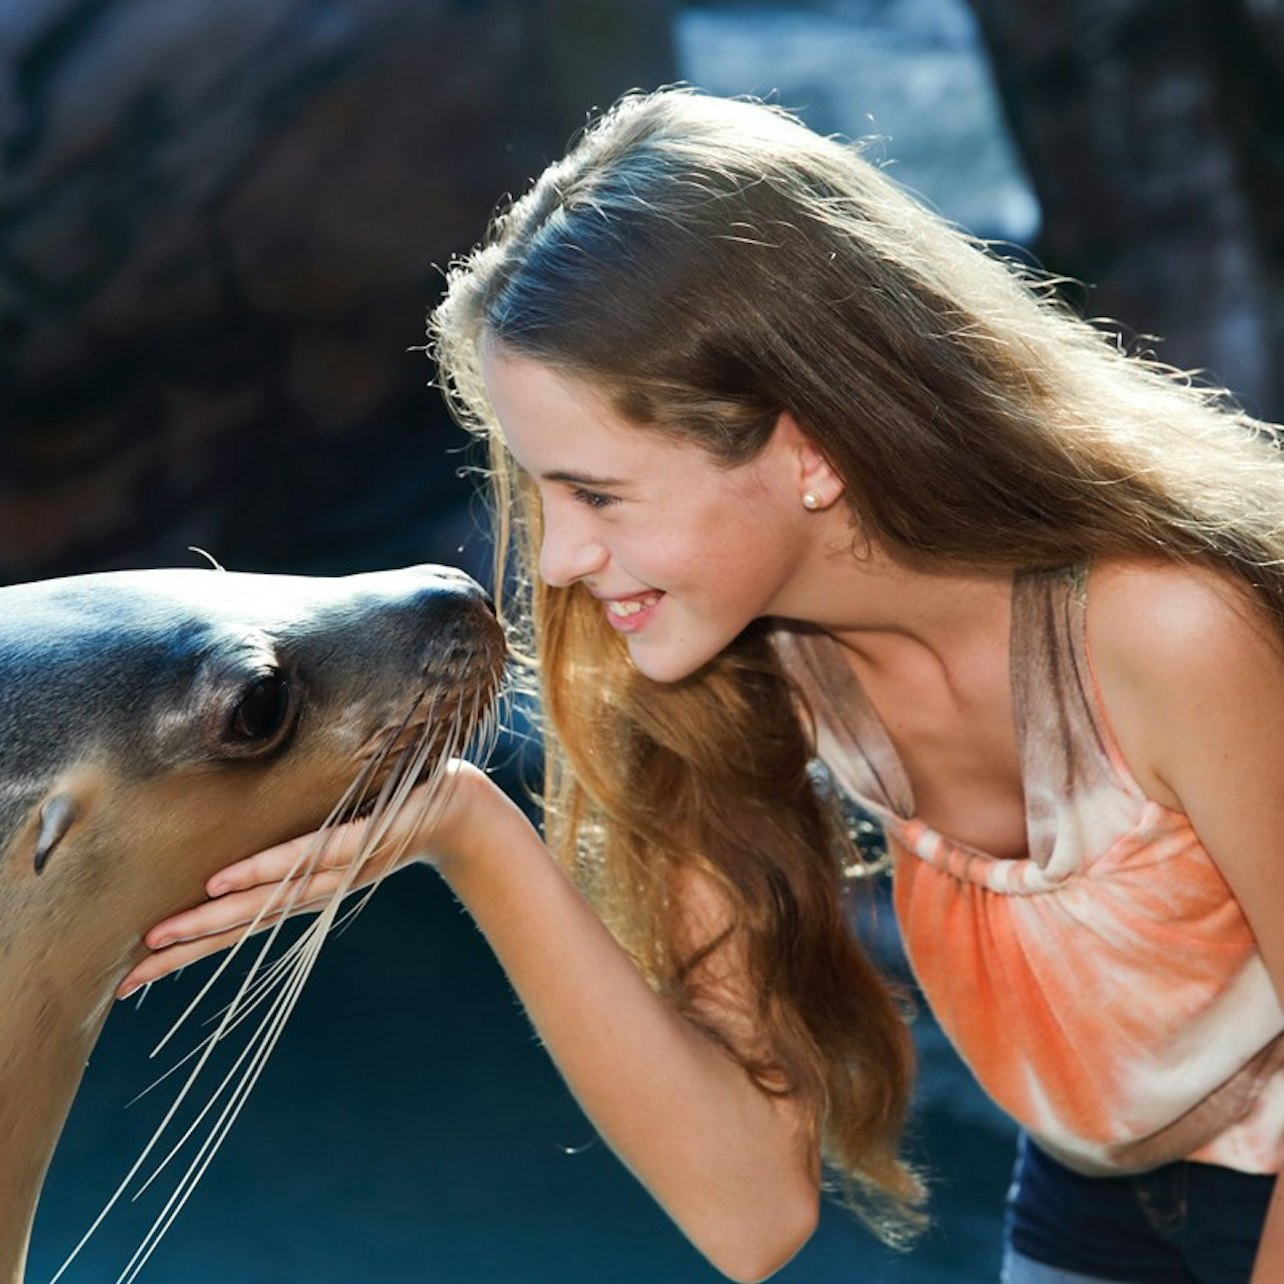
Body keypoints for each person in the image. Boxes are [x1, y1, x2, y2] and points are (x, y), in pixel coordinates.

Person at [119, 89, 1284, 1283]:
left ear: (812, 450)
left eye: (601, 494)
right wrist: (469, 832)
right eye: (543, 493)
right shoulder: (733, 664)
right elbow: (747, 1213)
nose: (558, 559)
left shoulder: (1167, 632)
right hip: (1086, 1200)